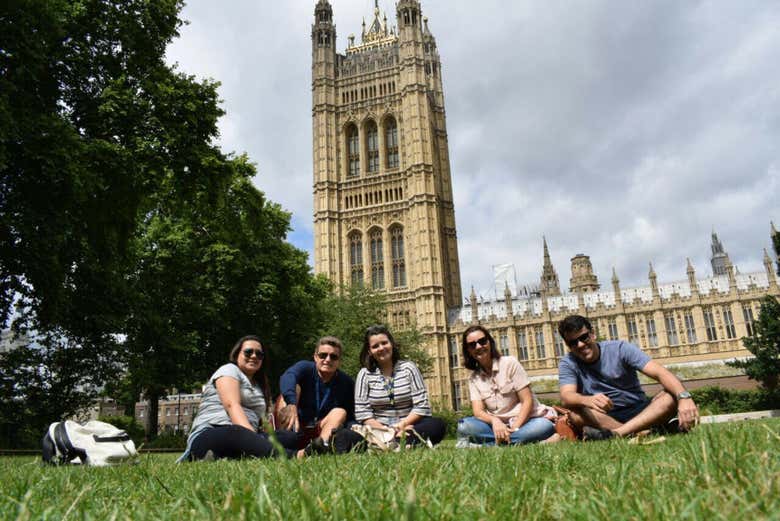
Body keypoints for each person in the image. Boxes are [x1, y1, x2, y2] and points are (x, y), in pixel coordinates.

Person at [557, 314, 700, 439]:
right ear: (567, 345)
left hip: (640, 410)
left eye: (584, 337)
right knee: (575, 413)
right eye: (573, 342)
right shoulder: (568, 362)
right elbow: (566, 396)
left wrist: (684, 397)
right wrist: (587, 400)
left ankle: (618, 434)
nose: (580, 344)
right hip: (605, 416)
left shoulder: (620, 348)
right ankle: (642, 432)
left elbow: (660, 373)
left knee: (671, 396)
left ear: (593, 334)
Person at [179, 335, 296, 461]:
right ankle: (295, 456)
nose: (254, 356)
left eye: (259, 354)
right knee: (237, 433)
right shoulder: (229, 370)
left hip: (246, 436)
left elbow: (259, 422)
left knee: (289, 437)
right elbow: (232, 405)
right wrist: (254, 440)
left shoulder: (259, 385)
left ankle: (226, 457)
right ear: (237, 355)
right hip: (211, 434)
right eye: (248, 352)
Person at [456, 325, 558, 446]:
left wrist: (514, 428)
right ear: (468, 350)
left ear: (490, 342)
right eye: (472, 345)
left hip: (527, 421)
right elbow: (478, 412)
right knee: (463, 425)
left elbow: (527, 401)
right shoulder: (474, 378)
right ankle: (528, 443)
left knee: (544, 426)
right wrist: (495, 421)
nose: (478, 346)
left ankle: (487, 445)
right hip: (497, 426)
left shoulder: (510, 363)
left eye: (482, 341)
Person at [354, 325, 446, 446]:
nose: (381, 348)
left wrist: (402, 425)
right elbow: (362, 412)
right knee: (349, 434)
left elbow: (422, 406)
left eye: (384, 343)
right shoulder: (364, 374)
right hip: (377, 428)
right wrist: (385, 430)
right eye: (375, 346)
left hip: (408, 425)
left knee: (437, 425)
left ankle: (391, 443)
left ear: (392, 343)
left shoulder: (409, 368)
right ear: (369, 352)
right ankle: (400, 442)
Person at [275, 336, 363, 455]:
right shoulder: (305, 367)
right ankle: (285, 435)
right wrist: (291, 403)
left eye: (333, 357)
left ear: (339, 361)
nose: (327, 360)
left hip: (320, 428)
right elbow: (287, 377)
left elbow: (350, 414)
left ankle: (320, 447)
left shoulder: (346, 382)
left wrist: (357, 427)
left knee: (340, 412)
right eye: (323, 355)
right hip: (297, 423)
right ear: (315, 357)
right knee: (292, 390)